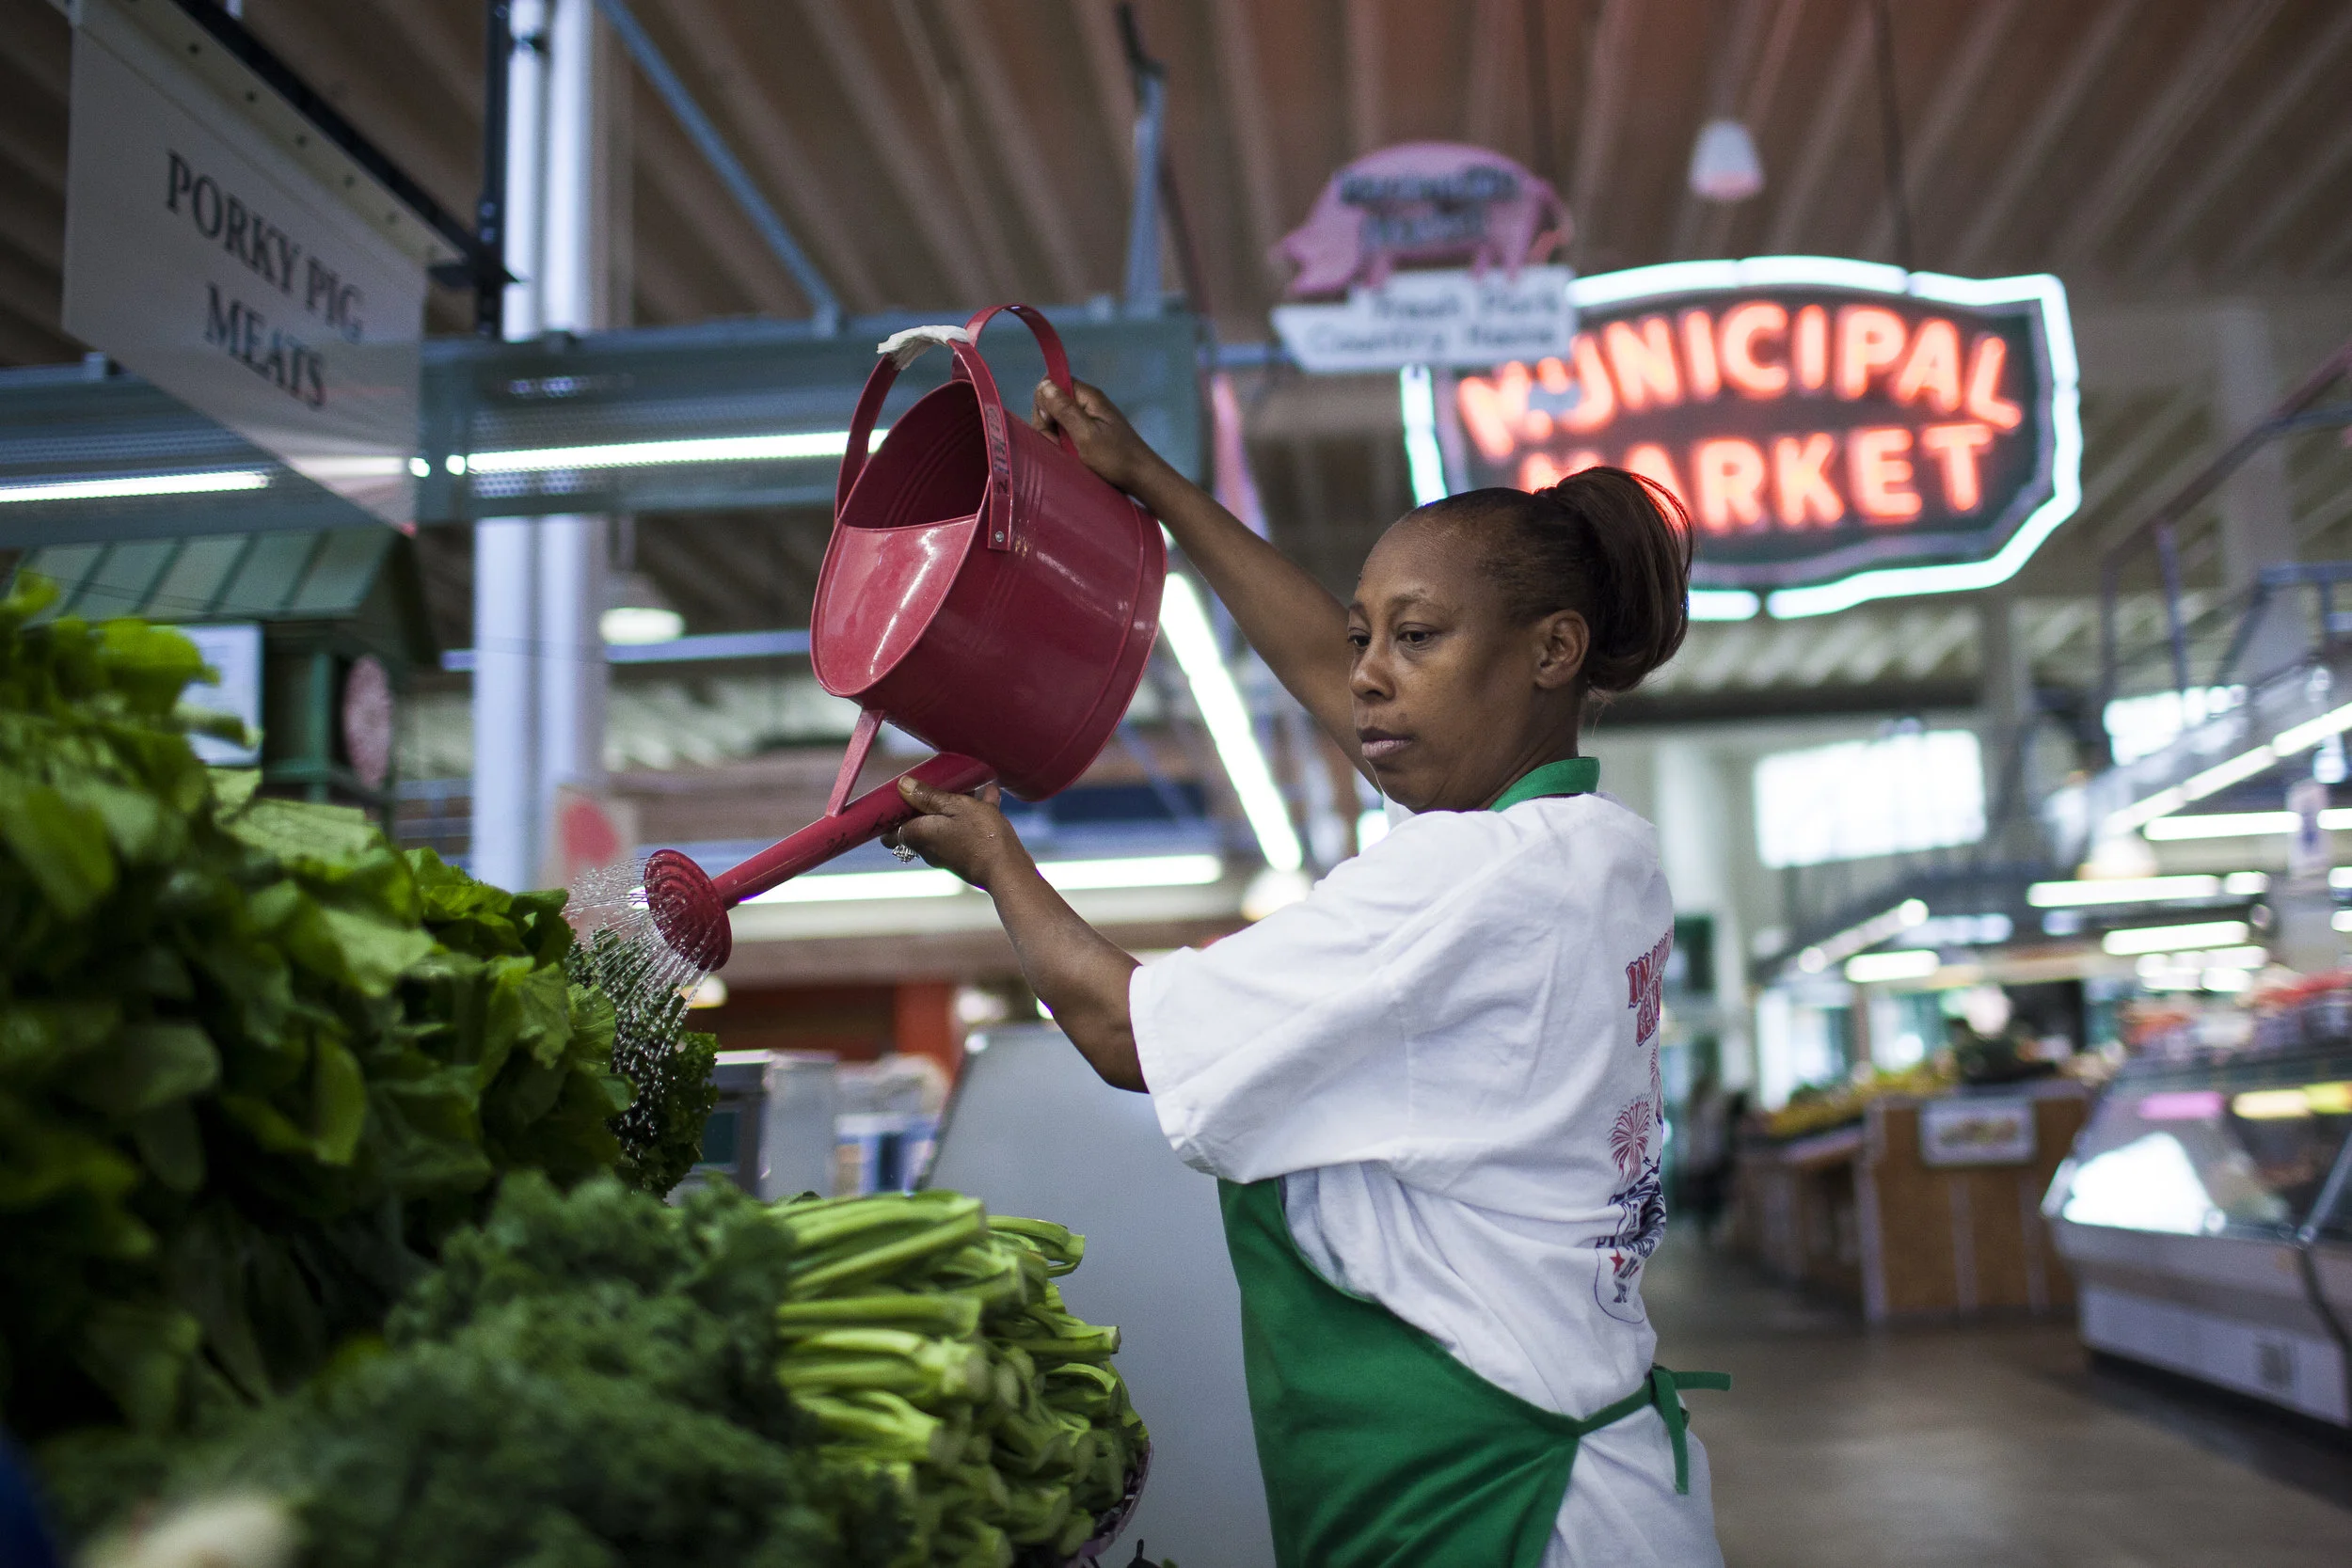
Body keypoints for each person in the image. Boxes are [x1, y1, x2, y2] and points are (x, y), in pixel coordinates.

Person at [888, 377, 1727, 1568]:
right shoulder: (1600, 849)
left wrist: (995, 858)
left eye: (1416, 637)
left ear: (1552, 650)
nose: (1371, 673)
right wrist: (1156, 485)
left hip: (1501, 1506)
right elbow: (1353, 695)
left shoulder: (1464, 875)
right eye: (1362, 635)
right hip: (1578, 1462)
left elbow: (1126, 1035)